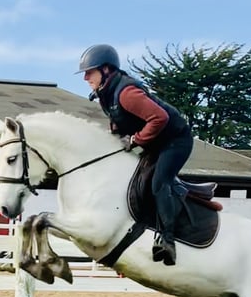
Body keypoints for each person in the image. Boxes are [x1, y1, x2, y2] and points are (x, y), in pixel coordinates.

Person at [78, 44, 193, 266]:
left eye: (89, 72)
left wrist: (135, 140)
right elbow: (117, 127)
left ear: (106, 70)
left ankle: (168, 241)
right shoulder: (105, 94)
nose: (85, 78)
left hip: (175, 140)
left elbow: (159, 118)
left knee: (159, 183)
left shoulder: (127, 93)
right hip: (156, 141)